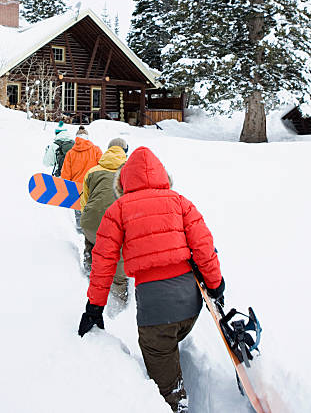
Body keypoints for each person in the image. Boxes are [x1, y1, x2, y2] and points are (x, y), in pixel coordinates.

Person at [78, 146, 224, 413]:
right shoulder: (180, 202)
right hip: (191, 303)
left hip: (155, 309)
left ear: (122, 183)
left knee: (159, 352)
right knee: (171, 337)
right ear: (163, 176)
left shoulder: (118, 209)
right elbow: (204, 245)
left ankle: (175, 401)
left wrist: (94, 306)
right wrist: (216, 285)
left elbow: (104, 261)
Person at [80, 138, 129, 306]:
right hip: (116, 227)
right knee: (119, 257)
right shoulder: (128, 173)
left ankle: (87, 275)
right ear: (125, 151)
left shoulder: (92, 171)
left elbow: (84, 202)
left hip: (90, 223)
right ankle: (118, 298)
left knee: (92, 244)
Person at [61, 126, 102, 232]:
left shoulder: (70, 153)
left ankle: (80, 233)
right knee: (93, 213)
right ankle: (92, 234)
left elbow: (65, 174)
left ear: (76, 138)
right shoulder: (96, 150)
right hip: (93, 187)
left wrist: (67, 189)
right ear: (87, 137)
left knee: (79, 215)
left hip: (76, 189)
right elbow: (102, 167)